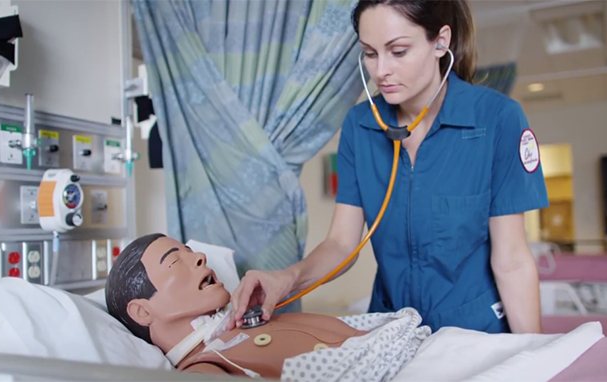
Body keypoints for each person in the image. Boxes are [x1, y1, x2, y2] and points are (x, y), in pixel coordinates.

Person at [229, 0, 548, 335]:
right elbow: (341, 244)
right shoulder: (360, 126)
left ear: (440, 42)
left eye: (398, 51)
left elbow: (511, 259)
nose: (381, 70)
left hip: (473, 334)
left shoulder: (497, 120)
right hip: (390, 331)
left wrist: (535, 354)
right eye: (370, 53)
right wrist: (286, 279)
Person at [104, 233, 370, 378]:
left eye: (190, 251)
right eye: (175, 262)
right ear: (142, 311)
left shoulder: (234, 331)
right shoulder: (204, 366)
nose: (199, 256)